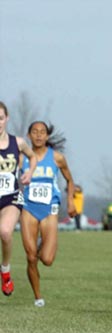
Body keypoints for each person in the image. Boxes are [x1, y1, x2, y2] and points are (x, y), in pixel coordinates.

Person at [20, 121, 76, 307]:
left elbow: (69, 180)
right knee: (30, 257)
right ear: (28, 136)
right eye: (34, 132)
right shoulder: (22, 158)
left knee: (47, 259)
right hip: (28, 207)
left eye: (42, 132)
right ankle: (38, 297)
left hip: (49, 209)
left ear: (47, 136)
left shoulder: (57, 158)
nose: (38, 135)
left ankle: (40, 244)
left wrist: (70, 202)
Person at [0, 101, 38, 297]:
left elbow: (33, 157)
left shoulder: (18, 142)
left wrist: (29, 173)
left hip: (10, 197)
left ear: (7, 119)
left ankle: (5, 271)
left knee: (5, 232)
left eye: (0, 118)